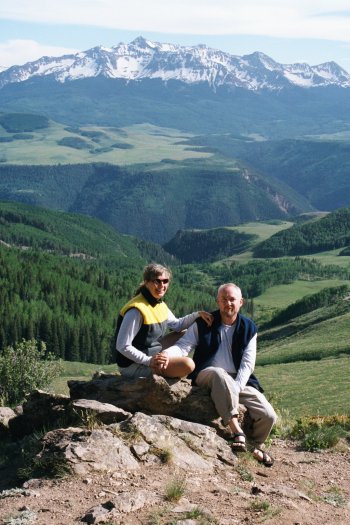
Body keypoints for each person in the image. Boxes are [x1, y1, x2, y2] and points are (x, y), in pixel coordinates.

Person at [165, 282, 277, 467]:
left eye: (232, 299)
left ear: (241, 302)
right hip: (207, 374)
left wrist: (236, 387)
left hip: (239, 381)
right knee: (218, 374)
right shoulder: (204, 322)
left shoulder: (249, 327)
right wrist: (167, 355)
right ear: (218, 301)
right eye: (224, 299)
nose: (228, 304)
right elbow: (183, 346)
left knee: (268, 415)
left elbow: (247, 365)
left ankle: (253, 446)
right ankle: (236, 431)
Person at [115, 263, 213, 379]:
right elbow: (122, 346)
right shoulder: (136, 310)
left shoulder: (159, 304)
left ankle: (166, 359)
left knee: (184, 332)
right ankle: (168, 363)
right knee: (188, 365)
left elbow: (178, 325)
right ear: (146, 282)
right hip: (133, 366)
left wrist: (197, 315)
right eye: (157, 281)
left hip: (151, 353)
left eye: (165, 281)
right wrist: (149, 361)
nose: (162, 285)